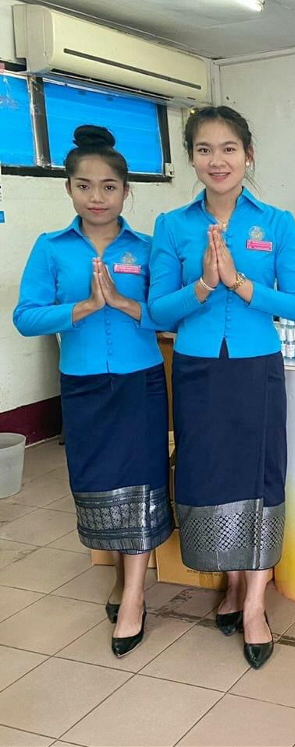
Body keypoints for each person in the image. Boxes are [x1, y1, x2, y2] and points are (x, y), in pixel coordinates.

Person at [148, 106, 295, 669]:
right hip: (196, 368)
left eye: (229, 149)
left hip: (256, 367)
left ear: (248, 155)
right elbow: (156, 311)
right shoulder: (172, 225)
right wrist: (202, 284)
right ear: (192, 158)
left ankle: (256, 604)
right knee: (210, 473)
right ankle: (232, 583)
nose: (217, 161)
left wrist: (238, 282)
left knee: (260, 475)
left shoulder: (278, 222)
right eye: (204, 150)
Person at [13, 125, 173, 657]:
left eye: (109, 187)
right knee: (99, 481)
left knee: (141, 480)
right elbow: (26, 317)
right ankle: (122, 576)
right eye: (84, 186)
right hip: (82, 387)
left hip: (140, 383)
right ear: (69, 189)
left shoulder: (147, 250)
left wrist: (125, 304)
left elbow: (170, 315)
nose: (96, 197)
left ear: (126, 191)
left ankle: (134, 596)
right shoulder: (51, 249)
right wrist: (83, 307)